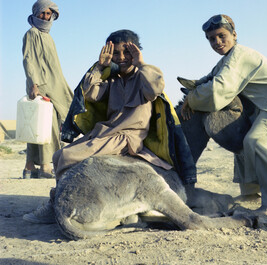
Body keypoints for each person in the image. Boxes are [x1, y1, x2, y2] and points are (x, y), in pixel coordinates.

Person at [23, 29, 196, 223]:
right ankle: (59, 198)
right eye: (116, 53)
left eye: (127, 52)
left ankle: (56, 201)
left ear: (136, 52)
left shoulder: (144, 76)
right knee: (57, 155)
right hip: (106, 133)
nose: (121, 58)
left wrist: (141, 62)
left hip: (126, 137)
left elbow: (155, 88)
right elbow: (90, 94)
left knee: (65, 156)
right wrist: (99, 67)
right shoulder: (113, 80)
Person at [180, 14, 267, 215]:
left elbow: (219, 88)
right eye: (212, 39)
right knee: (245, 141)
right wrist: (192, 88)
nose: (217, 42)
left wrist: (192, 99)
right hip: (258, 105)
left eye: (221, 36)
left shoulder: (240, 55)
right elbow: (208, 78)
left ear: (234, 34)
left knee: (258, 140)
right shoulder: (226, 60)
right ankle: (251, 192)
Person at [22, 0, 73, 179]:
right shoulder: (32, 33)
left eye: (48, 14)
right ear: (35, 14)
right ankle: (44, 166)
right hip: (41, 86)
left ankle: (29, 166)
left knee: (36, 124)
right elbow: (29, 60)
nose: (45, 17)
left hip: (54, 85)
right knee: (45, 124)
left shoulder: (48, 37)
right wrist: (34, 84)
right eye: (42, 13)